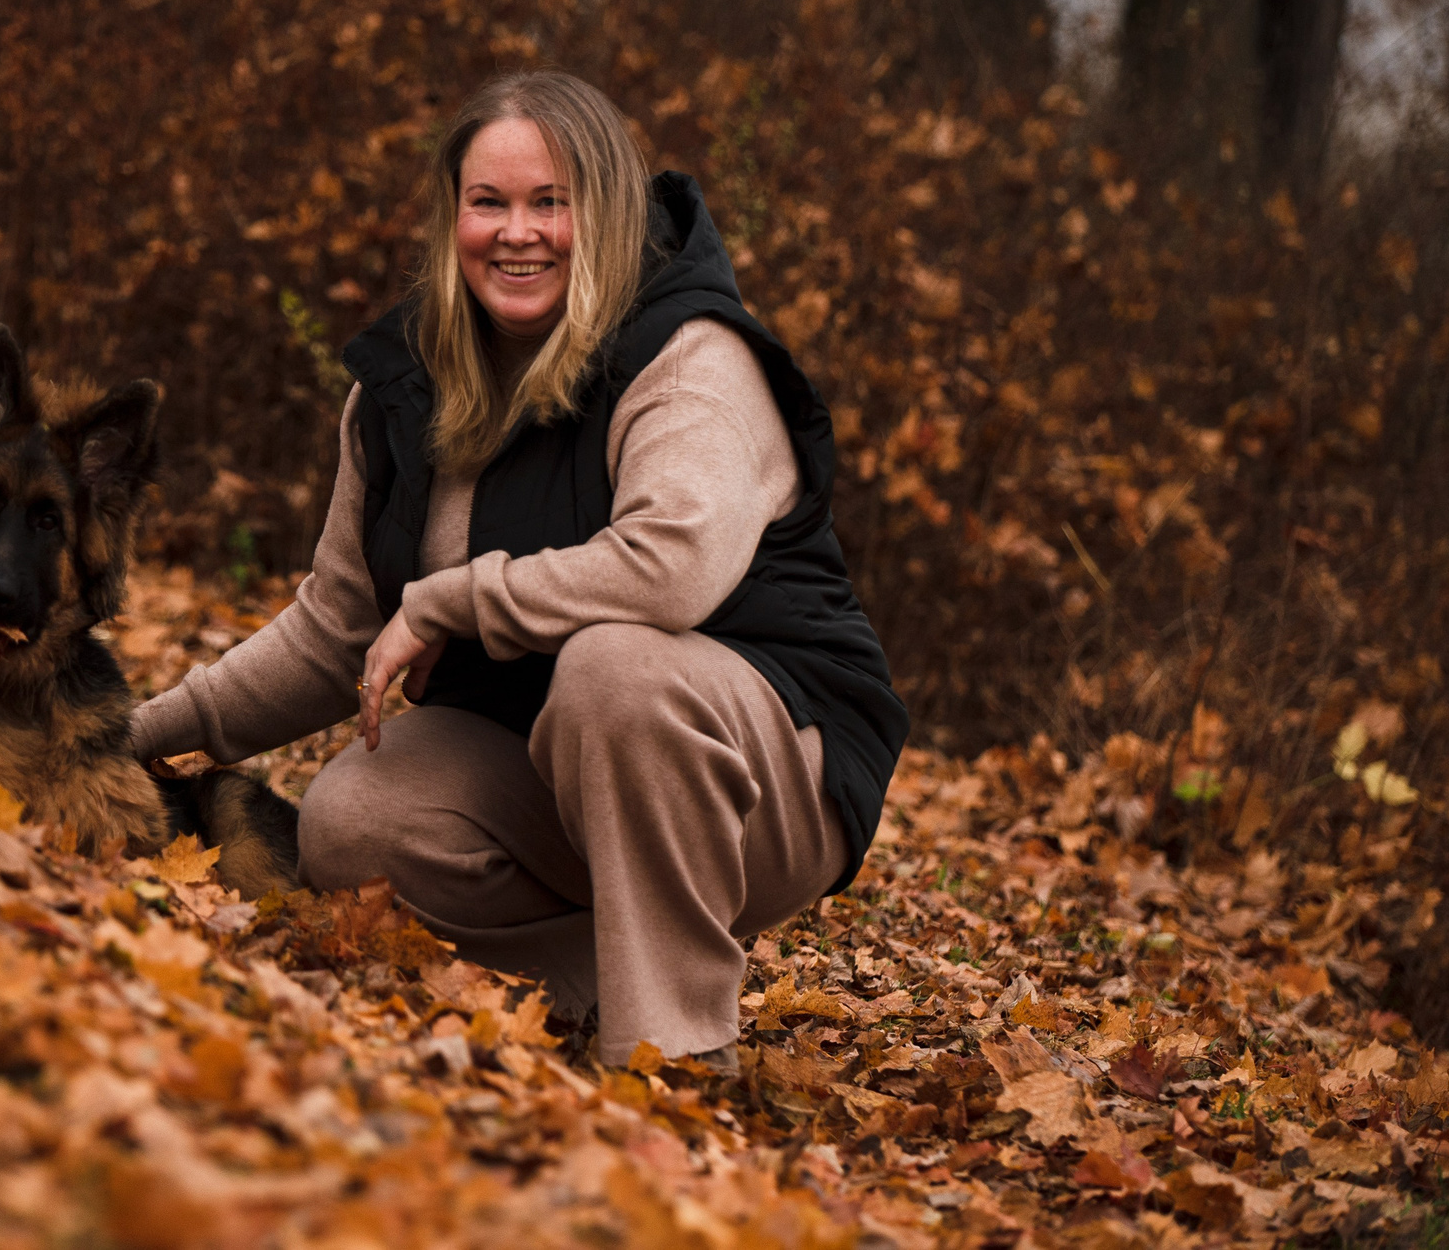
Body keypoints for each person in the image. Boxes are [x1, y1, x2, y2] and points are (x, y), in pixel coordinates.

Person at [128, 70, 908, 1066]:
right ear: (450, 217)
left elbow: (668, 571)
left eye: (552, 203)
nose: (517, 233)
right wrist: (134, 730)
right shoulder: (400, 393)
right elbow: (336, 627)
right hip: (560, 763)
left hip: (768, 774)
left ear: (608, 213)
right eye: (487, 203)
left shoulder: (689, 360)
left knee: (612, 673)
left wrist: (454, 597)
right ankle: (596, 979)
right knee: (355, 817)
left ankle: (670, 1060)